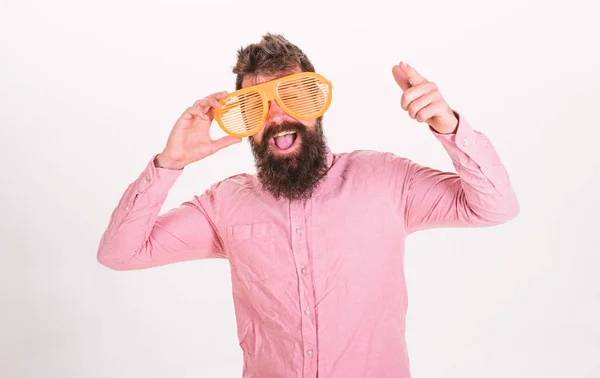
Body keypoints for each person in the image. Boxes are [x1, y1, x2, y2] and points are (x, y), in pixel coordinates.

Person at [97, 33, 519, 378]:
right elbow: (120, 253)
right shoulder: (224, 204)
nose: (277, 116)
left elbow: (495, 206)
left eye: (295, 95)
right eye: (256, 105)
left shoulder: (385, 179)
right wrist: (170, 164)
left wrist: (450, 127)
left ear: (317, 105)